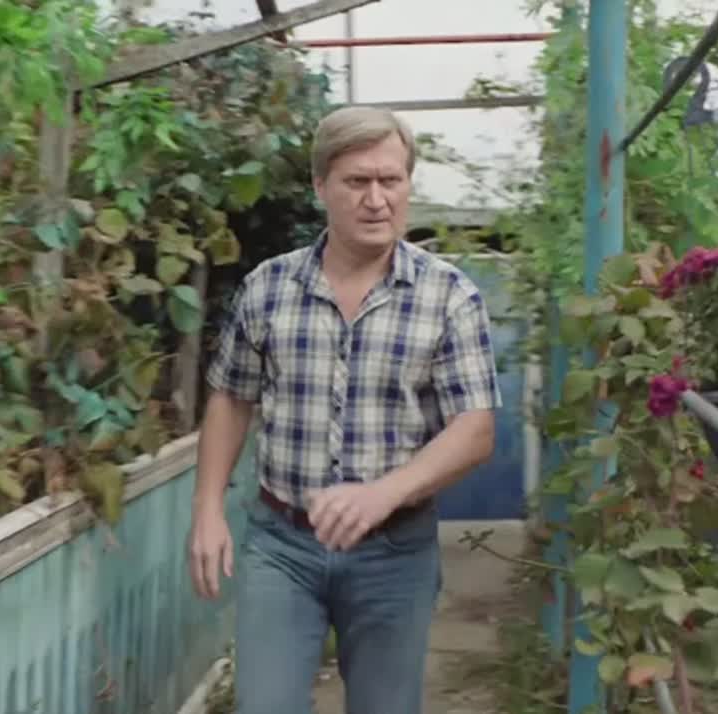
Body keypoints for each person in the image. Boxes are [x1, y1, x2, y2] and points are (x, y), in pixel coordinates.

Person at [186, 105, 502, 714]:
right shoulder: (268, 288)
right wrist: (206, 510)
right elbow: (231, 396)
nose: (377, 200)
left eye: (391, 180)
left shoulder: (448, 295)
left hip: (395, 554)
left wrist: (384, 493)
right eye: (357, 182)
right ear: (320, 186)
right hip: (282, 545)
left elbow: (475, 429)